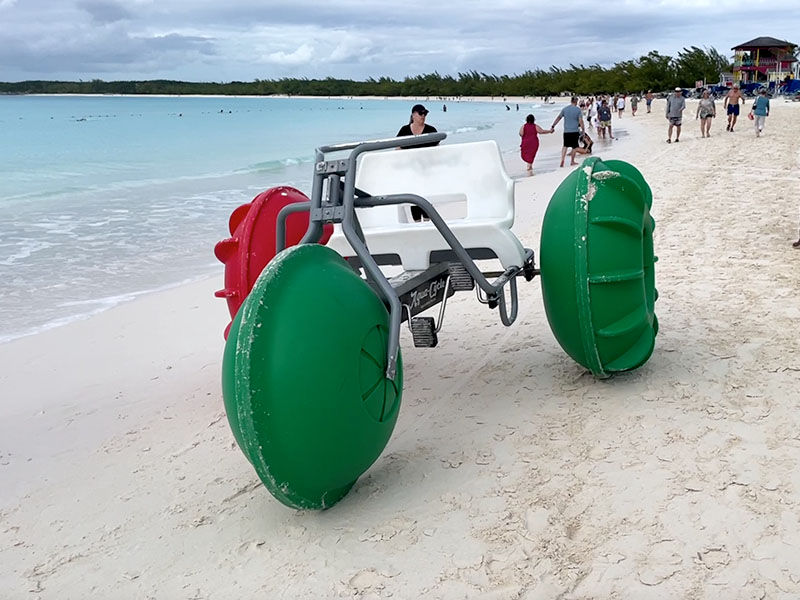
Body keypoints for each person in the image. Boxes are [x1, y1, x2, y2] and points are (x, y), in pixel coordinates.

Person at [397, 104, 438, 220]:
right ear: (413, 115)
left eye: (425, 114)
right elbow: (397, 147)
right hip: (410, 170)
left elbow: (438, 148)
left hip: (427, 170)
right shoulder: (404, 130)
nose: (423, 116)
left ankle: (428, 220)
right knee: (414, 196)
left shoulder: (431, 130)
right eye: (421, 113)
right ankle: (417, 222)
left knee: (427, 196)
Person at [550, 96, 584, 167]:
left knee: (565, 146)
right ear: (576, 101)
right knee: (574, 147)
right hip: (575, 131)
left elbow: (558, 118)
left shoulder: (565, 109)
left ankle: (562, 160)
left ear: (571, 101)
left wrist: (553, 126)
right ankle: (572, 161)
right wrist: (583, 130)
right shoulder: (578, 110)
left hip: (566, 131)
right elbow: (581, 121)